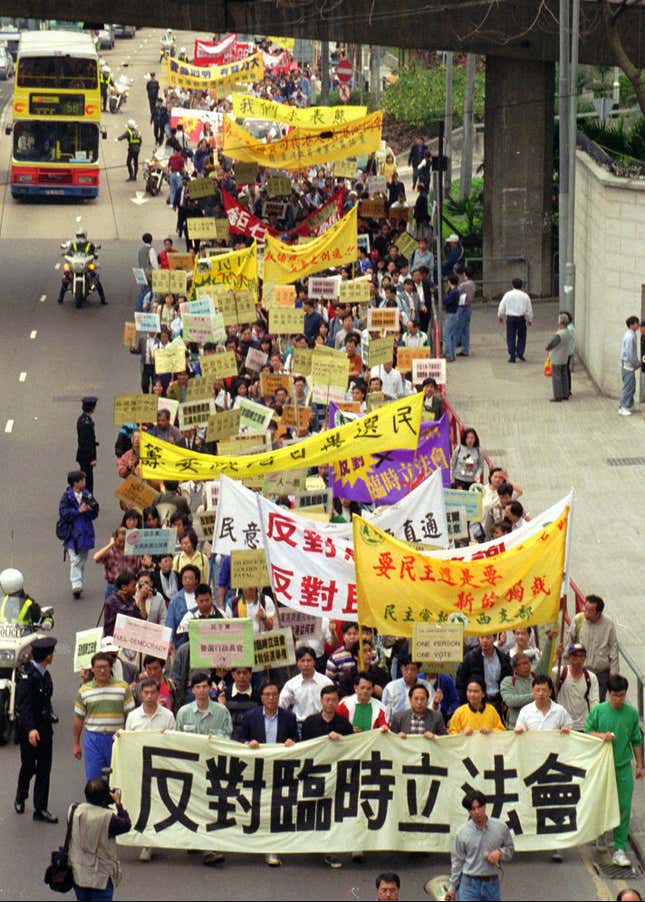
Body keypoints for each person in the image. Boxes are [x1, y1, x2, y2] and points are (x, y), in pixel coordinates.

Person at [586, 675, 644, 867]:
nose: (618, 699)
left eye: (621, 695)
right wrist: (601, 736)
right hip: (602, 767)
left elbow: (636, 739)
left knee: (623, 807)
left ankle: (619, 848)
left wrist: (640, 764)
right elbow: (587, 733)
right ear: (608, 694)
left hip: (622, 766)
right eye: (614, 696)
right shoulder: (599, 710)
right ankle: (600, 833)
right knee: (601, 802)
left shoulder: (631, 713)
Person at [239, 680, 298, 868]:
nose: (271, 698)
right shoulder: (250, 716)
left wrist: (292, 742)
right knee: (257, 804)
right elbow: (240, 738)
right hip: (257, 767)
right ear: (261, 697)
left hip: (280, 768)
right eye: (267, 695)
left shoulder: (289, 717)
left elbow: (296, 739)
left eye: (274, 694)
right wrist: (248, 743)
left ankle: (272, 846)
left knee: (276, 805)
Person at [14, 636, 58, 822]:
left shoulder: (45, 674)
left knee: (44, 769)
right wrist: (31, 729)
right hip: (29, 731)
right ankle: (20, 796)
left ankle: (40, 809)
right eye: (52, 653)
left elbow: (46, 701)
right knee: (29, 767)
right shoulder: (27, 675)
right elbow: (23, 706)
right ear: (47, 656)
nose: (53, 656)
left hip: (45, 729)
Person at [73, 652, 134, 781]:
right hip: (93, 739)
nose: (102, 670)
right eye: (98, 667)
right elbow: (79, 718)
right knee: (95, 780)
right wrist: (76, 743)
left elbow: (130, 716)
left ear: (111, 668)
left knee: (118, 779)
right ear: (92, 669)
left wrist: (129, 737)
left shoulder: (123, 687)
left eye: (105, 667)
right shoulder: (84, 690)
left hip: (117, 738)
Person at [445, 790, 515, 902]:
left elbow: (510, 850)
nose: (477, 812)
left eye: (479, 807)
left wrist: (499, 853)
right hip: (469, 885)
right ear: (468, 811)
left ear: (485, 806)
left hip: (491, 885)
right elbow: (457, 862)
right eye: (473, 809)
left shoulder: (501, 828)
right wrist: (452, 889)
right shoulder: (462, 832)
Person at [68, 779, 131, 902]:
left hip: (79, 873)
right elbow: (126, 824)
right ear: (105, 797)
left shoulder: (74, 810)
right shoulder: (109, 818)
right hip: (100, 879)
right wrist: (118, 803)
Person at [565, 594, 618, 700]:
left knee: (598, 701)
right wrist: (567, 666)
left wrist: (614, 671)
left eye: (589, 611)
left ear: (598, 613)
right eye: (585, 608)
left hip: (601, 672)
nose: (585, 612)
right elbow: (569, 642)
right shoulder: (578, 620)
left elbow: (613, 647)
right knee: (580, 699)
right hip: (581, 670)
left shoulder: (608, 623)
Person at [58, 470, 99, 599]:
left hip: (85, 531)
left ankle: (79, 580)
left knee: (82, 558)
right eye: (82, 480)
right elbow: (64, 513)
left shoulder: (87, 495)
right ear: (75, 483)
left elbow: (95, 512)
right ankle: (76, 584)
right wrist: (78, 511)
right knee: (75, 559)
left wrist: (90, 510)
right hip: (72, 533)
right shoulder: (67, 497)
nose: (84, 482)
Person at [456, 635, 512, 718]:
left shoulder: (503, 658)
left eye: (488, 637)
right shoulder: (470, 658)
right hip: (476, 702)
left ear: (494, 638)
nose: (485, 641)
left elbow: (508, 680)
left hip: (498, 701)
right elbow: (460, 682)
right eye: (482, 637)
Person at [278, 646, 332, 730]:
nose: (306, 664)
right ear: (297, 663)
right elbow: (280, 705)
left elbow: (333, 702)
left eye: (309, 660)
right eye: (302, 661)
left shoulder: (326, 682)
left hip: (323, 723)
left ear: (314, 662)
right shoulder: (291, 684)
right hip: (300, 725)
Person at [553, 643, 599, 731]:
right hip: (562, 725)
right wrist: (556, 656)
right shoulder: (560, 672)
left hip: (583, 726)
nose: (578, 659)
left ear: (585, 658)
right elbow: (543, 675)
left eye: (581, 656)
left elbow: (594, 702)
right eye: (575, 656)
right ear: (569, 657)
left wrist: (593, 725)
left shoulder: (591, 677)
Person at [58, 228, 106, 305]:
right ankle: (60, 297)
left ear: (85, 235)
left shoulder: (89, 244)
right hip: (74, 264)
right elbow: (68, 251)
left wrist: (95, 255)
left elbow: (94, 251)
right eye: (79, 236)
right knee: (66, 276)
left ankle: (103, 299)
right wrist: (65, 253)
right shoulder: (72, 244)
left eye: (82, 235)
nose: (80, 237)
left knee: (94, 277)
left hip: (86, 265)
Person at [381, 657, 434, 721]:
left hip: (421, 723)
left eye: (413, 670)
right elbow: (385, 711)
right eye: (406, 669)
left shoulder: (427, 686)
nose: (409, 672)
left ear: (418, 671)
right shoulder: (391, 687)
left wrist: (436, 703)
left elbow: (432, 709)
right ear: (401, 669)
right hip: (397, 725)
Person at [497, 278, 533, 363]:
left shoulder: (508, 294)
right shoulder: (525, 296)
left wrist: (500, 316)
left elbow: (502, 306)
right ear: (521, 286)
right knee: (522, 336)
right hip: (521, 318)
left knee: (510, 336)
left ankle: (512, 355)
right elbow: (529, 309)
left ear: (512, 285)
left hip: (511, 318)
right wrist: (529, 319)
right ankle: (520, 353)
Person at [545, 313, 571, 402]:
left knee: (557, 378)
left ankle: (558, 396)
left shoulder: (560, 334)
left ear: (561, 322)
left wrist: (547, 347)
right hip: (564, 358)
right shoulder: (567, 332)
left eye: (558, 320)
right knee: (564, 376)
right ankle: (565, 393)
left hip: (557, 358)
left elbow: (552, 343)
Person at [618, 315, 641, 415]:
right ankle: (623, 407)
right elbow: (629, 353)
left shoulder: (631, 334)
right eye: (637, 323)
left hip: (628, 364)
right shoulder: (630, 336)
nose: (638, 325)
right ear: (632, 324)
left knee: (631, 386)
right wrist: (636, 363)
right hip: (627, 365)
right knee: (628, 387)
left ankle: (629, 404)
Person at [76, 397, 98, 494]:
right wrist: (92, 458)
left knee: (86, 478)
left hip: (83, 455)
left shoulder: (82, 419)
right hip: (86, 457)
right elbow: (87, 442)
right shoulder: (86, 423)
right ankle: (88, 500)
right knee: (88, 480)